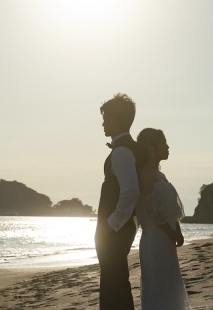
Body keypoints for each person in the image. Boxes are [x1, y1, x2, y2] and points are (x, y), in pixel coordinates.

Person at [95, 93, 144, 310]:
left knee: (113, 284)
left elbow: (131, 191)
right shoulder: (127, 148)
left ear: (115, 120)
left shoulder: (122, 151)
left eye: (105, 118)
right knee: (115, 282)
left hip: (115, 230)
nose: (103, 123)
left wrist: (110, 224)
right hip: (119, 228)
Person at [135, 128, 191, 310]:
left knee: (170, 286)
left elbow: (170, 209)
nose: (168, 147)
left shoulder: (160, 175)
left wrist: (177, 230)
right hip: (154, 239)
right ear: (152, 147)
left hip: (167, 239)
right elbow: (152, 210)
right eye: (164, 143)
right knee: (157, 287)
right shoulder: (144, 174)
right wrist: (171, 233)